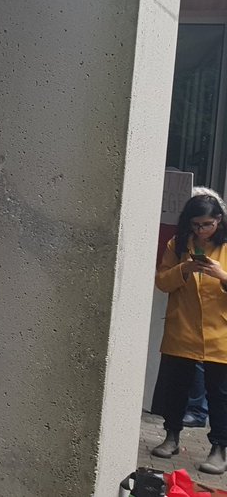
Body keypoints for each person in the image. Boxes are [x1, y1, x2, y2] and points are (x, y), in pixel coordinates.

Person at [150, 189, 227, 474]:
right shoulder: (178, 243)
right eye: (196, 224)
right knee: (176, 389)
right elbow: (162, 281)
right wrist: (184, 268)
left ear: (219, 220)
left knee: (219, 395)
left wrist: (221, 275)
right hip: (182, 327)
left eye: (207, 224)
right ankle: (171, 437)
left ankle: (219, 448)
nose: (202, 230)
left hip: (220, 332)